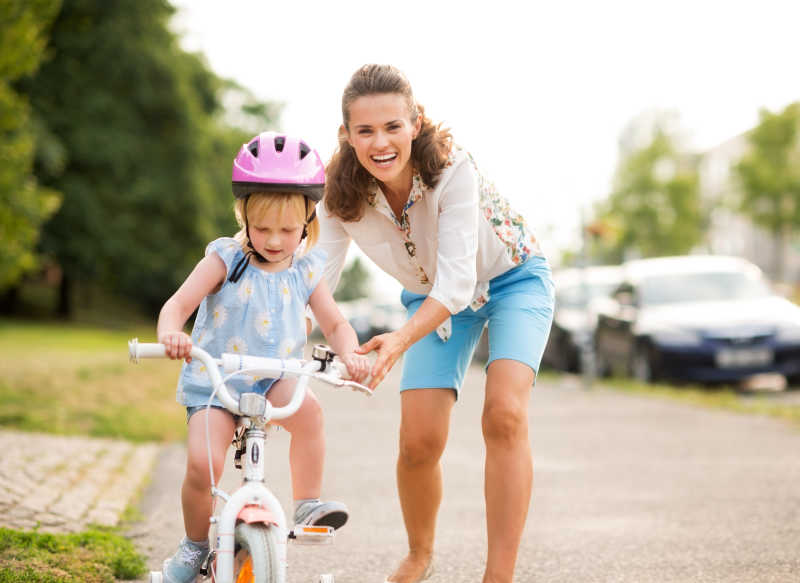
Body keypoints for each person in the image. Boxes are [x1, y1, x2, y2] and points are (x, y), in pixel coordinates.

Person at [318, 64, 555, 583]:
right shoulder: (338, 197)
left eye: (392, 126)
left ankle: (499, 576)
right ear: (347, 135)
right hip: (435, 299)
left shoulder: (453, 169)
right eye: (365, 130)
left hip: (512, 279)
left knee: (504, 415)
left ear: (416, 122)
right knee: (418, 442)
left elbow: (455, 284)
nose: (381, 142)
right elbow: (316, 281)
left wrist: (396, 343)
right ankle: (420, 554)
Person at [156, 131, 370, 583]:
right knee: (203, 463)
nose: (275, 240)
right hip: (217, 381)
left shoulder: (306, 271)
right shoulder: (225, 258)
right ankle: (195, 547)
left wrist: (351, 353)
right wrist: (171, 334)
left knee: (309, 411)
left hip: (273, 379)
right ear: (244, 215)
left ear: (308, 222)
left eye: (289, 230)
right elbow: (177, 306)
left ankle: (308, 501)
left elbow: (335, 324)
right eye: (263, 228)